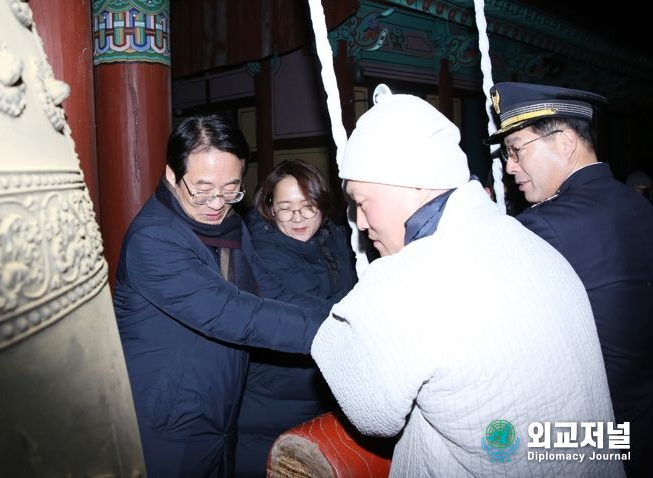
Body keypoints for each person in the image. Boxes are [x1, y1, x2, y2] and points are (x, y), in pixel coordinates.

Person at [310, 84, 623, 477]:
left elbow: (372, 414)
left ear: (413, 183)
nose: (359, 222)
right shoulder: (529, 241)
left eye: (361, 201)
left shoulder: (407, 280)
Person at [112, 114, 329, 477]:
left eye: (231, 189)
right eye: (203, 188)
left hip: (221, 409)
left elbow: (271, 291)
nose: (216, 202)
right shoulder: (153, 239)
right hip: (167, 422)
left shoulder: (229, 226)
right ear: (171, 175)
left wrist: (345, 314)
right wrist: (336, 333)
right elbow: (233, 314)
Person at [485, 82, 653, 477]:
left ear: (565, 142)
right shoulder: (639, 205)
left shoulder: (545, 226)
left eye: (516, 149)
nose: (510, 166)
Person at [236, 159, 357, 476]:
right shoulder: (262, 252)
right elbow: (325, 315)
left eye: (308, 206)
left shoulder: (338, 239)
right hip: (270, 405)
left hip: (322, 399)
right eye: (286, 208)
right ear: (270, 208)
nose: (298, 217)